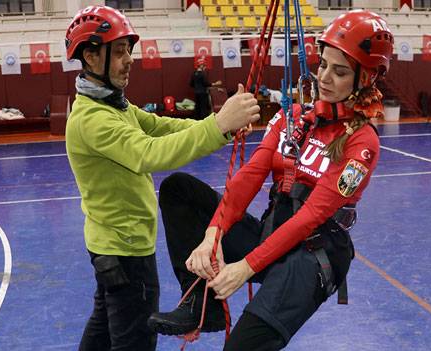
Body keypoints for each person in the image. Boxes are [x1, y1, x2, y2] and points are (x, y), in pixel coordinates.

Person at [148, 10, 392, 350]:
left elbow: (311, 217)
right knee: (179, 190)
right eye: (322, 65)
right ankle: (203, 305)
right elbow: (249, 177)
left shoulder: (362, 144)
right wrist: (213, 234)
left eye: (340, 72)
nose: (324, 77)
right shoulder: (292, 118)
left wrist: (245, 268)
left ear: (365, 79)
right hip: (274, 234)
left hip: (313, 253)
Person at [63, 6, 260, 351]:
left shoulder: (113, 106)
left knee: (103, 334)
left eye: (130, 51)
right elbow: (151, 153)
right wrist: (217, 126)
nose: (130, 60)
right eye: (120, 52)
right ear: (91, 57)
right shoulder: (92, 118)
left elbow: (162, 127)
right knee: (134, 341)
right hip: (125, 254)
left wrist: (223, 127)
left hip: (112, 248)